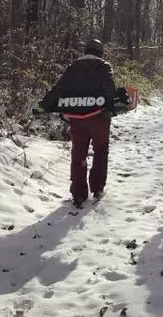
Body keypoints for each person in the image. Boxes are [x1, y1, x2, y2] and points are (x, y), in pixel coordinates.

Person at [39, 39, 117, 208]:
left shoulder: (73, 67)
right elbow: (110, 90)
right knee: (101, 151)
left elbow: (58, 88)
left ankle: (78, 192)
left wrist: (43, 105)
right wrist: (112, 108)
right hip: (98, 118)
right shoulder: (104, 66)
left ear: (85, 50)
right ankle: (97, 187)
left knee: (78, 153)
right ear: (100, 52)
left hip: (77, 118)